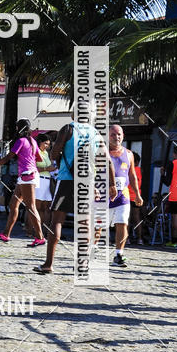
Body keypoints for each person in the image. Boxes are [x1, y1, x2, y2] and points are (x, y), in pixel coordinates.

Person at [34, 116, 116, 275]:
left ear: (74, 115)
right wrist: (112, 185)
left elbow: (54, 154)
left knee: (57, 220)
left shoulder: (68, 129)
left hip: (66, 179)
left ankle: (48, 264)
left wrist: (59, 153)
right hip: (87, 182)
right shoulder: (96, 133)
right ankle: (82, 265)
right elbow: (107, 161)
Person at [0, 119, 45, 245]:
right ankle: (6, 234)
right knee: (13, 205)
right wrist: (28, 157)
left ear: (19, 128)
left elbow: (8, 157)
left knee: (31, 207)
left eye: (16, 127)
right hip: (27, 176)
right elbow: (39, 158)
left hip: (27, 176)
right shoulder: (33, 141)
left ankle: (40, 237)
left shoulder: (21, 141)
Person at [108, 125, 142, 267]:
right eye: (113, 134)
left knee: (122, 223)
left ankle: (118, 255)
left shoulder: (129, 154)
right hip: (104, 195)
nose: (116, 137)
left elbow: (132, 175)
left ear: (123, 136)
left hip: (123, 195)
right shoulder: (101, 152)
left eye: (119, 134)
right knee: (98, 227)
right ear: (107, 136)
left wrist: (137, 195)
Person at [34, 133, 54, 238]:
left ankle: (44, 230)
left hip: (47, 181)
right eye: (45, 143)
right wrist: (46, 169)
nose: (47, 146)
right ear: (40, 142)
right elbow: (33, 168)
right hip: (39, 180)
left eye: (48, 144)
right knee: (37, 207)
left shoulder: (46, 153)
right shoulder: (35, 151)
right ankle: (34, 230)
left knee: (47, 207)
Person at [162, 147, 177, 251]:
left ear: (175, 154)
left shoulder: (172, 164)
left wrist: (162, 174)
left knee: (175, 220)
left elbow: (167, 182)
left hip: (176, 196)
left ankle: (174, 241)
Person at [128, 151, 145, 246]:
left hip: (128, 196)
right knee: (137, 218)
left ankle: (127, 239)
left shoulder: (129, 169)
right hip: (136, 196)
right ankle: (140, 239)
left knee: (127, 219)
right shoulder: (140, 170)